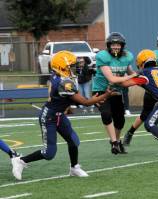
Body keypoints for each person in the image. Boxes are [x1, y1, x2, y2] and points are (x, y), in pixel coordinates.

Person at [11, 51, 113, 180]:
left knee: (74, 141)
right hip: (49, 117)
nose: (76, 68)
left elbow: (74, 99)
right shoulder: (64, 83)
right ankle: (20, 161)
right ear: (62, 67)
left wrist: (96, 99)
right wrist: (105, 95)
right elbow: (85, 102)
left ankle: (74, 167)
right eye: (72, 65)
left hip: (59, 116)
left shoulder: (59, 77)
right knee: (49, 153)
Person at [92, 32, 136, 155]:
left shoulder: (127, 57)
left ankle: (117, 141)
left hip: (116, 91)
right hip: (101, 91)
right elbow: (112, 79)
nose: (115, 47)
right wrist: (132, 77)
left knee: (120, 120)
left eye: (118, 44)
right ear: (108, 45)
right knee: (106, 114)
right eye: (113, 44)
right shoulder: (103, 56)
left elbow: (130, 71)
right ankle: (114, 142)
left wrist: (139, 77)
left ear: (122, 46)